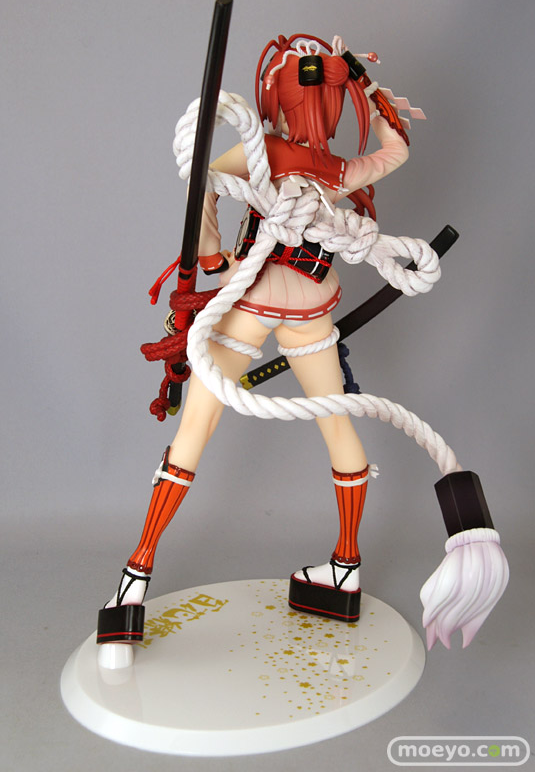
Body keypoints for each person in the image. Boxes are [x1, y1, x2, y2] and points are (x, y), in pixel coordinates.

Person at [96, 35, 507, 664]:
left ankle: (135, 578)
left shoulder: (262, 152)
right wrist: (366, 85)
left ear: (275, 98)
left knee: (196, 429)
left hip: (254, 300)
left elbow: (199, 183)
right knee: (337, 423)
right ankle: (345, 568)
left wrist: (212, 260)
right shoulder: (335, 169)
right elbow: (397, 149)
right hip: (311, 306)